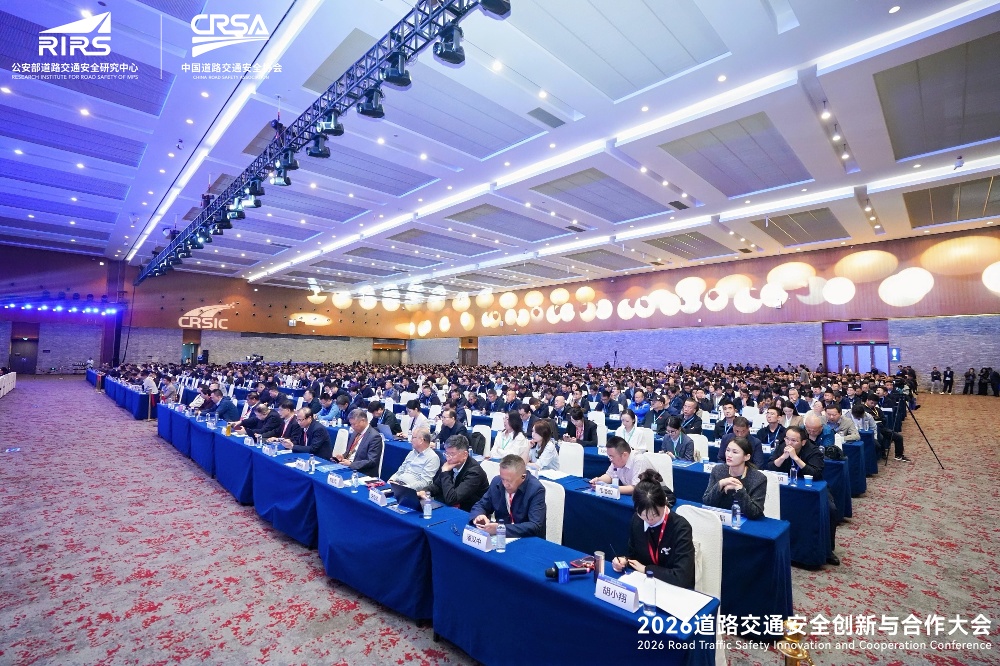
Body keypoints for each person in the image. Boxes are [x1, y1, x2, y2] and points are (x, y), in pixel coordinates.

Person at [765, 426, 841, 566]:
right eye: (787, 439)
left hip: (814, 488)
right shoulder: (782, 447)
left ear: (803, 442)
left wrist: (795, 458)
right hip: (787, 488)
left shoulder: (814, 451)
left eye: (794, 440)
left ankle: (828, 550)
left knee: (830, 509)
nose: (789, 443)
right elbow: (769, 467)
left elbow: (815, 473)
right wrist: (783, 457)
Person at [611, 470, 695, 590]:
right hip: (645, 585)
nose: (649, 520)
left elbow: (682, 578)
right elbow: (634, 556)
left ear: (664, 503)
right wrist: (624, 561)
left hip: (674, 590)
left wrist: (647, 570)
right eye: (643, 515)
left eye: (655, 515)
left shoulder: (681, 528)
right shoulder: (637, 520)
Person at [470, 454, 547, 538]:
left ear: (523, 477)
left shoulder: (536, 489)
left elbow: (535, 526)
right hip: (502, 538)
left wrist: (500, 529)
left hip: (527, 539)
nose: (505, 484)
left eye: (509, 481)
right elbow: (481, 505)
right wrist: (479, 515)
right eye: (503, 479)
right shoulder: (497, 482)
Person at [702, 436, 767, 519]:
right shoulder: (718, 470)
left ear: (746, 457)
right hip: (722, 519)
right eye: (727, 450)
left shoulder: (758, 478)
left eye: (735, 452)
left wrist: (739, 490)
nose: (729, 455)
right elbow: (707, 502)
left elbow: (755, 513)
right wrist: (720, 484)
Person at [420, 435, 489, 512]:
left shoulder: (474, 473)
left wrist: (445, 473)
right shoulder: (451, 463)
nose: (448, 458)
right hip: (453, 507)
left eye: (452, 454)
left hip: (470, 512)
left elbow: (452, 499)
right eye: (446, 453)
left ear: (465, 455)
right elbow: (438, 486)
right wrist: (425, 491)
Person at [588, 437, 653, 495]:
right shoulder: (616, 460)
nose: (610, 459)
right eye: (609, 456)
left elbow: (636, 488)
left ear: (624, 455)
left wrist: (609, 488)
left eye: (611, 456)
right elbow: (610, 475)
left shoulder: (639, 460)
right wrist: (599, 481)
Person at [332, 408, 383, 477]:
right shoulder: (355, 432)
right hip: (348, 467)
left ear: (363, 421)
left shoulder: (374, 437)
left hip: (363, 472)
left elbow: (371, 461)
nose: (352, 427)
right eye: (351, 424)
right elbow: (351, 451)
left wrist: (351, 464)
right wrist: (343, 456)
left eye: (354, 424)